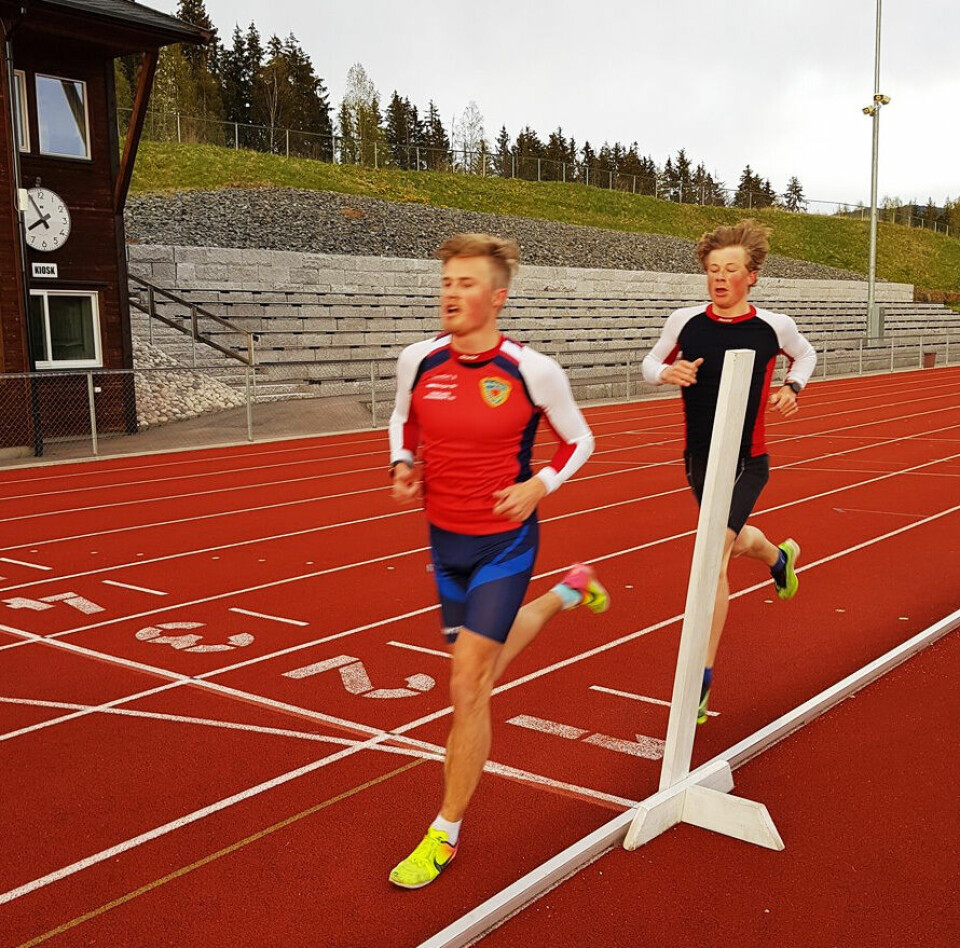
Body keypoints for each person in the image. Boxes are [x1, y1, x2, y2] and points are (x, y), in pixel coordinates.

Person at [387, 233, 608, 889]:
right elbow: (403, 420)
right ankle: (570, 591)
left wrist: (541, 484)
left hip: (504, 545)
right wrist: (402, 462)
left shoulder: (532, 371)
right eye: (447, 281)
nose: (451, 294)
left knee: (467, 684)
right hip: (443, 544)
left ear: (498, 297)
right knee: (485, 665)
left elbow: (581, 439)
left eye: (466, 283)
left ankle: (443, 833)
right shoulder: (418, 360)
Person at [641, 219, 816, 725]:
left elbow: (805, 354)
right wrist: (666, 373)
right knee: (734, 543)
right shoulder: (685, 322)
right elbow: (650, 362)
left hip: (747, 461)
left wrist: (793, 388)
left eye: (731, 270)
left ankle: (701, 675)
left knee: (712, 554)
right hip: (699, 460)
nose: (720, 279)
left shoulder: (773, 326)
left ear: (752, 276)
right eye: (713, 270)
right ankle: (778, 558)